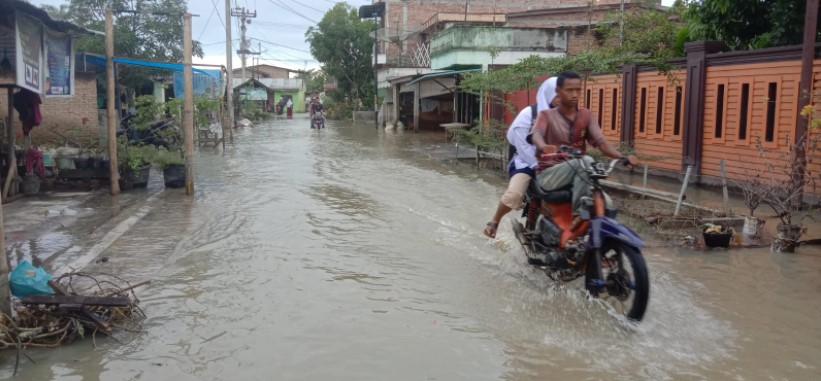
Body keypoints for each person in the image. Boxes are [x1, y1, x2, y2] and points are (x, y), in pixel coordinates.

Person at [530, 71, 637, 221]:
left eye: (578, 90)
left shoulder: (586, 115)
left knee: (608, 204)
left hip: (580, 173)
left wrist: (623, 157)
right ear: (558, 91)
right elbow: (536, 134)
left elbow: (601, 143)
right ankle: (578, 214)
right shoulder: (546, 115)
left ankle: (596, 240)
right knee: (586, 160)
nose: (575, 94)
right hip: (549, 174)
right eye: (569, 90)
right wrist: (543, 146)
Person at [484, 77, 560, 238]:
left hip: (555, 165)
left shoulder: (566, 117)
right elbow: (523, 147)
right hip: (526, 163)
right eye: (557, 96)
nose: (562, 100)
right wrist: (543, 166)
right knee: (515, 194)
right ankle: (495, 221)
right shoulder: (528, 114)